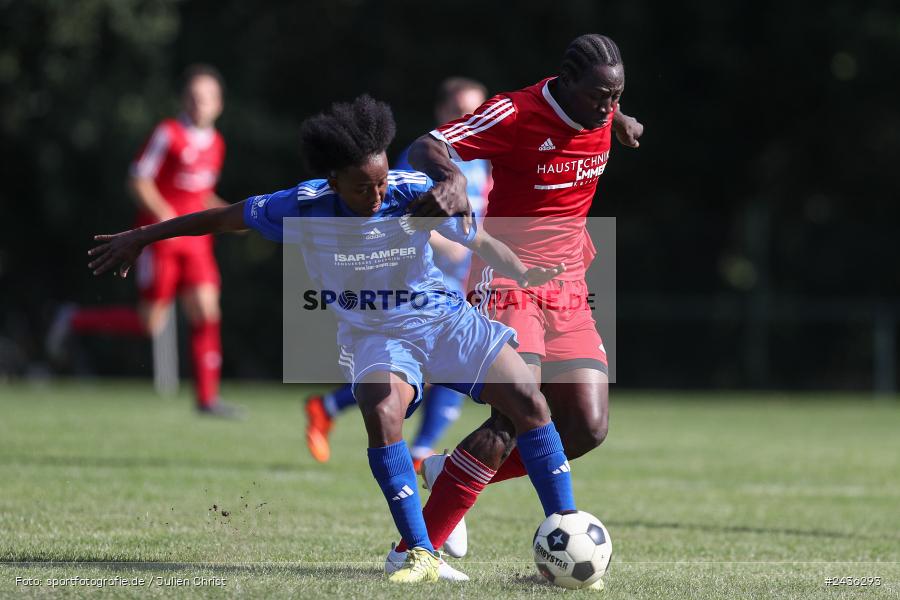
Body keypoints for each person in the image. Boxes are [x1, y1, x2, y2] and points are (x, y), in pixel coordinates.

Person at [87, 95, 580, 584]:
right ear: (333, 181)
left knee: (528, 401)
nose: (378, 192)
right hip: (377, 335)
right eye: (364, 186)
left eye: (383, 180)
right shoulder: (302, 205)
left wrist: (524, 269)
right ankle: (420, 554)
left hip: (444, 319)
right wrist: (143, 236)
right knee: (382, 413)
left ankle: (569, 523)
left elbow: (479, 239)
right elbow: (220, 218)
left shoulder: (410, 190)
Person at [390, 33, 644, 576]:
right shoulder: (515, 112)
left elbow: (609, 108)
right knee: (515, 411)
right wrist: (453, 176)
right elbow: (426, 144)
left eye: (616, 96)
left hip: (570, 282)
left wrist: (619, 120)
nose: (606, 106)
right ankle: (415, 551)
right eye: (600, 96)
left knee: (586, 426)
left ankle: (447, 468)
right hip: (508, 277)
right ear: (567, 81)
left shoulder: (600, 107)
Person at [303, 77, 492, 469]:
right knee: (433, 361)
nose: (468, 118)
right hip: (415, 276)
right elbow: (400, 216)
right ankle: (418, 449)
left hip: (461, 275)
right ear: (442, 113)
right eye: (460, 111)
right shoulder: (421, 156)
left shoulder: (483, 160)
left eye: (475, 110)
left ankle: (335, 411)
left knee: (437, 364)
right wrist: (450, 243)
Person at [48, 65, 237, 417]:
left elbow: (202, 194)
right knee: (150, 323)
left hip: (196, 242)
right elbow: (138, 179)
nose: (199, 104)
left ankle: (207, 399)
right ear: (184, 100)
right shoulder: (168, 133)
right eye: (193, 97)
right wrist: (165, 216)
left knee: (208, 311)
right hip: (161, 238)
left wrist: (236, 215)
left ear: (219, 105)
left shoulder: (217, 144)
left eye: (206, 98)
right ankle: (74, 319)